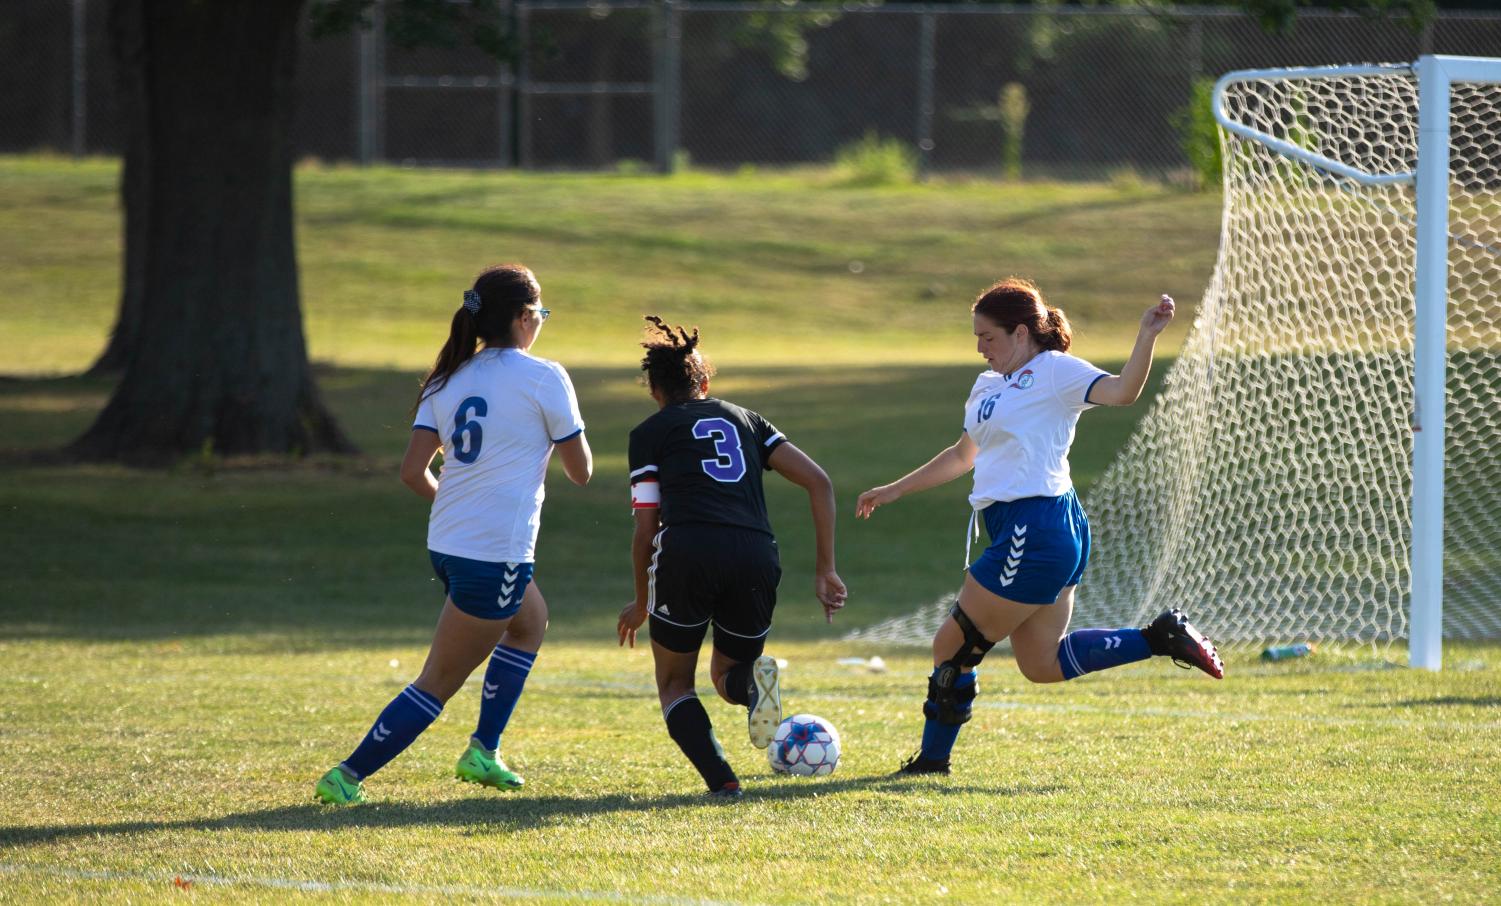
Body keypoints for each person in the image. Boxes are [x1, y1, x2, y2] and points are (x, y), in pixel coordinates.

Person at [855, 278, 1224, 776]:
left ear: (1022, 332)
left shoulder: (1052, 372)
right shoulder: (987, 385)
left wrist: (1147, 335)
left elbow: (1121, 392)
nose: (980, 348)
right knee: (1042, 665)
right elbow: (964, 455)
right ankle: (1160, 638)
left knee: (951, 645)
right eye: (976, 338)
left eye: (988, 337)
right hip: (1038, 528)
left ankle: (932, 763)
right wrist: (895, 489)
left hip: (1037, 526)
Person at [315, 264, 592, 805]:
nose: (540, 324)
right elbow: (581, 473)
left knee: (528, 620)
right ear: (522, 317)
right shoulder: (544, 376)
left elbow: (412, 471)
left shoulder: (447, 378)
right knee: (438, 681)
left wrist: (463, 502)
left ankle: (483, 751)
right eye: (540, 314)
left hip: (448, 545)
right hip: (494, 554)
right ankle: (346, 775)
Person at [617, 317, 848, 799]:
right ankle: (752, 687)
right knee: (726, 675)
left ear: (655, 391)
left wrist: (640, 601)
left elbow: (645, 528)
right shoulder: (748, 420)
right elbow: (819, 482)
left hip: (687, 551)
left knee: (675, 684)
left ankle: (722, 780)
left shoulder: (650, 432)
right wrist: (825, 568)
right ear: (704, 384)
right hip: (755, 553)